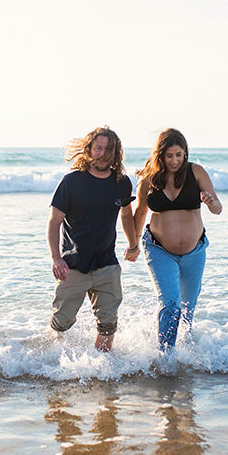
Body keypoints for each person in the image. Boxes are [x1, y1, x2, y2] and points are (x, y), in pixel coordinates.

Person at [130, 128, 222, 350]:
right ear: (160, 154)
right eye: (169, 155)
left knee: (187, 309)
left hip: (195, 252)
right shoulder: (148, 179)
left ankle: (185, 354)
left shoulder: (197, 172)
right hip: (159, 249)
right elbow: (140, 213)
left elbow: (218, 209)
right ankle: (165, 359)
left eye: (179, 155)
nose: (174, 160)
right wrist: (133, 245)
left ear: (185, 153)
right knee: (171, 304)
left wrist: (210, 202)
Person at [47, 126, 137, 352]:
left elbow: (126, 214)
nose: (103, 153)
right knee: (61, 323)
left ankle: (101, 369)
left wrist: (133, 244)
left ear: (116, 153)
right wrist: (56, 258)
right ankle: (52, 365)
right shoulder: (71, 182)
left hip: (106, 265)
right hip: (73, 266)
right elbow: (54, 221)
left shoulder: (122, 183)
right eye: (98, 148)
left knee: (108, 324)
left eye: (109, 149)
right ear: (89, 149)